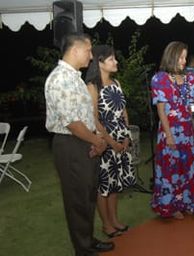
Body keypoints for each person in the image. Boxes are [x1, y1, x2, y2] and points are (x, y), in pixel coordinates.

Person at [44, 33, 114, 255]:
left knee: (86, 196)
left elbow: (84, 116)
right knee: (77, 199)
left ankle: (88, 240)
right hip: (71, 144)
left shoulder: (73, 76)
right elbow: (73, 123)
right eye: (89, 50)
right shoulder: (61, 79)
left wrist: (96, 139)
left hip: (83, 141)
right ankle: (83, 249)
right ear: (75, 50)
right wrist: (98, 141)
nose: (91, 56)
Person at [151, 41, 194, 219]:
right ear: (172, 56)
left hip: (187, 132)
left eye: (185, 57)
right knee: (171, 169)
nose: (184, 61)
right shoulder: (159, 79)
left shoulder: (190, 79)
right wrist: (168, 136)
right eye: (181, 57)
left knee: (189, 168)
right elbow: (161, 110)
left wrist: (193, 132)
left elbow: (188, 108)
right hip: (170, 132)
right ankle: (172, 205)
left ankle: (189, 202)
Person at [85, 45, 136, 238]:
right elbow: (94, 119)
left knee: (116, 183)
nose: (116, 62)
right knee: (104, 185)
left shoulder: (116, 82)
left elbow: (123, 111)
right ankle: (106, 225)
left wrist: (125, 136)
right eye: (112, 59)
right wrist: (110, 142)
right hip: (103, 142)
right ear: (100, 62)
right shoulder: (92, 87)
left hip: (121, 139)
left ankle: (114, 220)